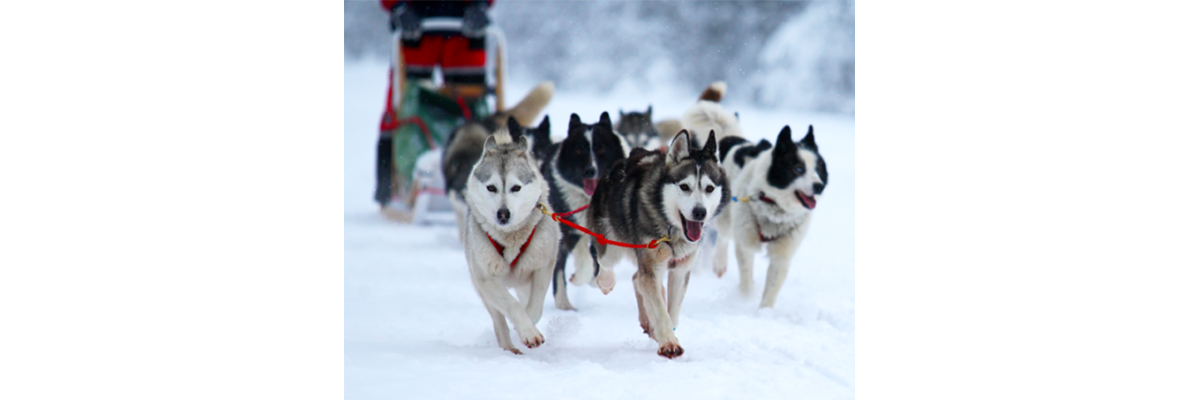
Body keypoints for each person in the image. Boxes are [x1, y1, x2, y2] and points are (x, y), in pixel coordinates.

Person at [375, 0, 494, 208]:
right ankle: (390, 184)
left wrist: (481, 5)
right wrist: (399, 7)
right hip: (415, 24)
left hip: (465, 27)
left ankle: (485, 182)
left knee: (472, 104)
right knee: (403, 103)